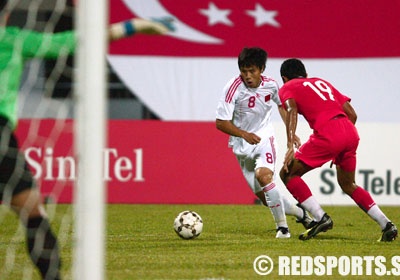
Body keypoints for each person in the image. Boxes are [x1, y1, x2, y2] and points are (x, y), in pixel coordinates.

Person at [0, 1, 174, 279]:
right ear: (7, 14)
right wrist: (132, 26)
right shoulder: (13, 39)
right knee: (33, 213)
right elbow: (73, 42)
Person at [278, 58, 398, 241]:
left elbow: (291, 110)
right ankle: (386, 224)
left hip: (328, 133)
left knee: (288, 173)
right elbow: (352, 114)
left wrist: (289, 145)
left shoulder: (288, 86)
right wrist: (339, 145)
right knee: (348, 184)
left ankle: (320, 217)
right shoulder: (321, 82)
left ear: (284, 78)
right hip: (350, 132)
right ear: (306, 74)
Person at [215, 47, 316, 239]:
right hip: (242, 146)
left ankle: (283, 229)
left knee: (265, 176)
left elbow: (282, 105)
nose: (248, 76)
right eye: (244, 71)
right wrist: (243, 134)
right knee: (265, 197)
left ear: (261, 69)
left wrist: (290, 132)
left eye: (252, 71)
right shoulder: (232, 88)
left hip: (264, 139)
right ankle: (302, 214)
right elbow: (221, 123)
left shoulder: (271, 85)